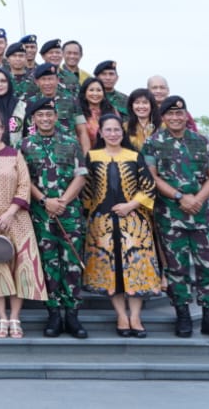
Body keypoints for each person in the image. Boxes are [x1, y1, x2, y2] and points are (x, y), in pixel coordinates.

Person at [143, 95, 209, 340]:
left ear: (186, 115)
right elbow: (152, 177)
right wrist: (181, 197)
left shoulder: (202, 141)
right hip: (170, 215)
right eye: (170, 113)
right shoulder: (153, 143)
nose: (175, 118)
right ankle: (182, 315)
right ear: (163, 116)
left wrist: (198, 199)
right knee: (176, 268)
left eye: (179, 113)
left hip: (201, 215)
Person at [0, 108, 48, 338]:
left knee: (20, 266)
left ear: (4, 129)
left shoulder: (15, 154)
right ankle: (1, 318)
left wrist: (10, 213)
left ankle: (15, 317)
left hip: (16, 218)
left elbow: (24, 185)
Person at [82, 114, 162, 337]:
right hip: (102, 224)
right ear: (101, 133)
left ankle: (135, 316)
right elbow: (86, 190)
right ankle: (121, 315)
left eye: (117, 130)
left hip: (133, 222)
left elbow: (148, 187)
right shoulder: (92, 156)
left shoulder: (134, 156)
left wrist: (130, 206)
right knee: (111, 270)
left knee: (134, 268)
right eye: (108, 130)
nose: (113, 134)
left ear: (122, 132)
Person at [19, 97, 90, 339]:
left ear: (56, 117)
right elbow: (24, 180)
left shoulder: (70, 143)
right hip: (41, 215)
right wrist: (44, 201)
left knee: (71, 264)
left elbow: (81, 175)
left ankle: (72, 315)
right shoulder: (26, 145)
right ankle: (53, 314)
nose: (45, 119)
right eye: (40, 115)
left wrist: (62, 202)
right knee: (49, 264)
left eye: (49, 115)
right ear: (34, 119)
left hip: (69, 214)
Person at [0, 67, 24, 145]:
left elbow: (29, 135)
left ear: (9, 83)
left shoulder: (21, 106)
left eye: (3, 81)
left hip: (15, 154)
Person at [78, 78, 110, 153]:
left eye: (99, 90)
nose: (95, 93)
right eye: (91, 90)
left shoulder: (111, 110)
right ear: (84, 93)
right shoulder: (79, 113)